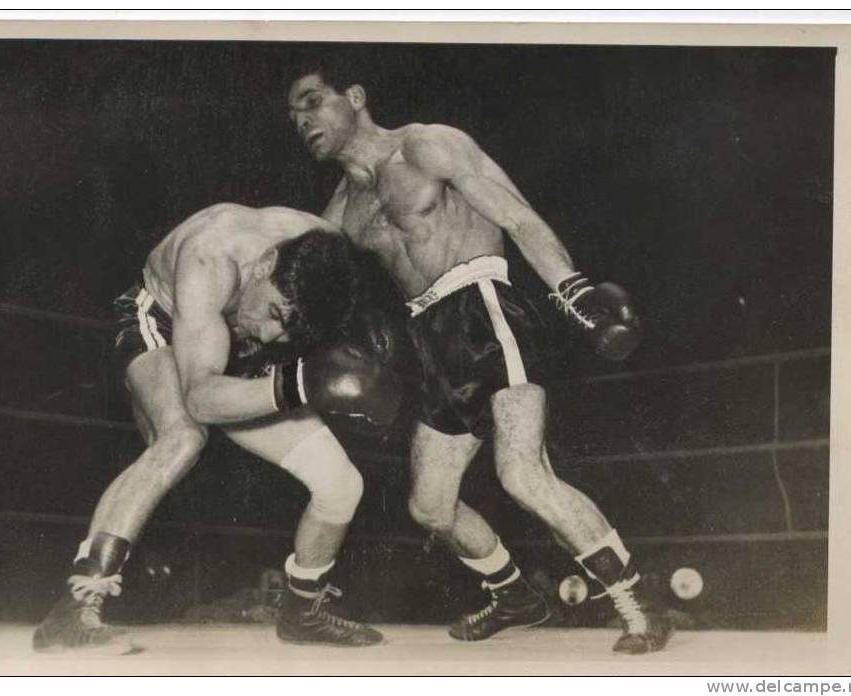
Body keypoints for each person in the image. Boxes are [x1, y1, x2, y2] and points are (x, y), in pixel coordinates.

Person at [286, 66, 671, 654]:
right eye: (294, 115)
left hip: (484, 309)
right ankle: (515, 594)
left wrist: (573, 291)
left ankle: (638, 601)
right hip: (428, 337)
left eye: (312, 102)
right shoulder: (341, 209)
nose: (303, 120)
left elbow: (515, 214)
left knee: (521, 472)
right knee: (430, 505)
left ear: (355, 97)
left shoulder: (427, 144)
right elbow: (302, 285)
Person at [32, 203, 403, 652]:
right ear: (266, 264)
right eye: (274, 313)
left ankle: (302, 612)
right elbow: (201, 398)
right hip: (165, 326)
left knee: (341, 484)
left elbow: (354, 267)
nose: (271, 335)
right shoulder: (209, 258)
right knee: (182, 436)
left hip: (229, 347)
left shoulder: (320, 249)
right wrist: (301, 383)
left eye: (287, 329)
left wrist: (366, 325)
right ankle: (73, 610)